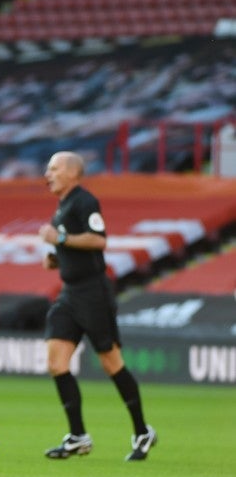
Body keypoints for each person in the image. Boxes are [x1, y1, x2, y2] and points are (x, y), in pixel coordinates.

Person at [38, 151, 156, 461]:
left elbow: (99, 240)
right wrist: (57, 259)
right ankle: (78, 436)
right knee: (56, 361)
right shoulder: (63, 206)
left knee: (110, 362)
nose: (47, 174)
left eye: (53, 169)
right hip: (69, 293)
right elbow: (72, 247)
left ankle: (142, 431)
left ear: (73, 173)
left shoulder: (84, 201)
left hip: (93, 293)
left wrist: (60, 238)